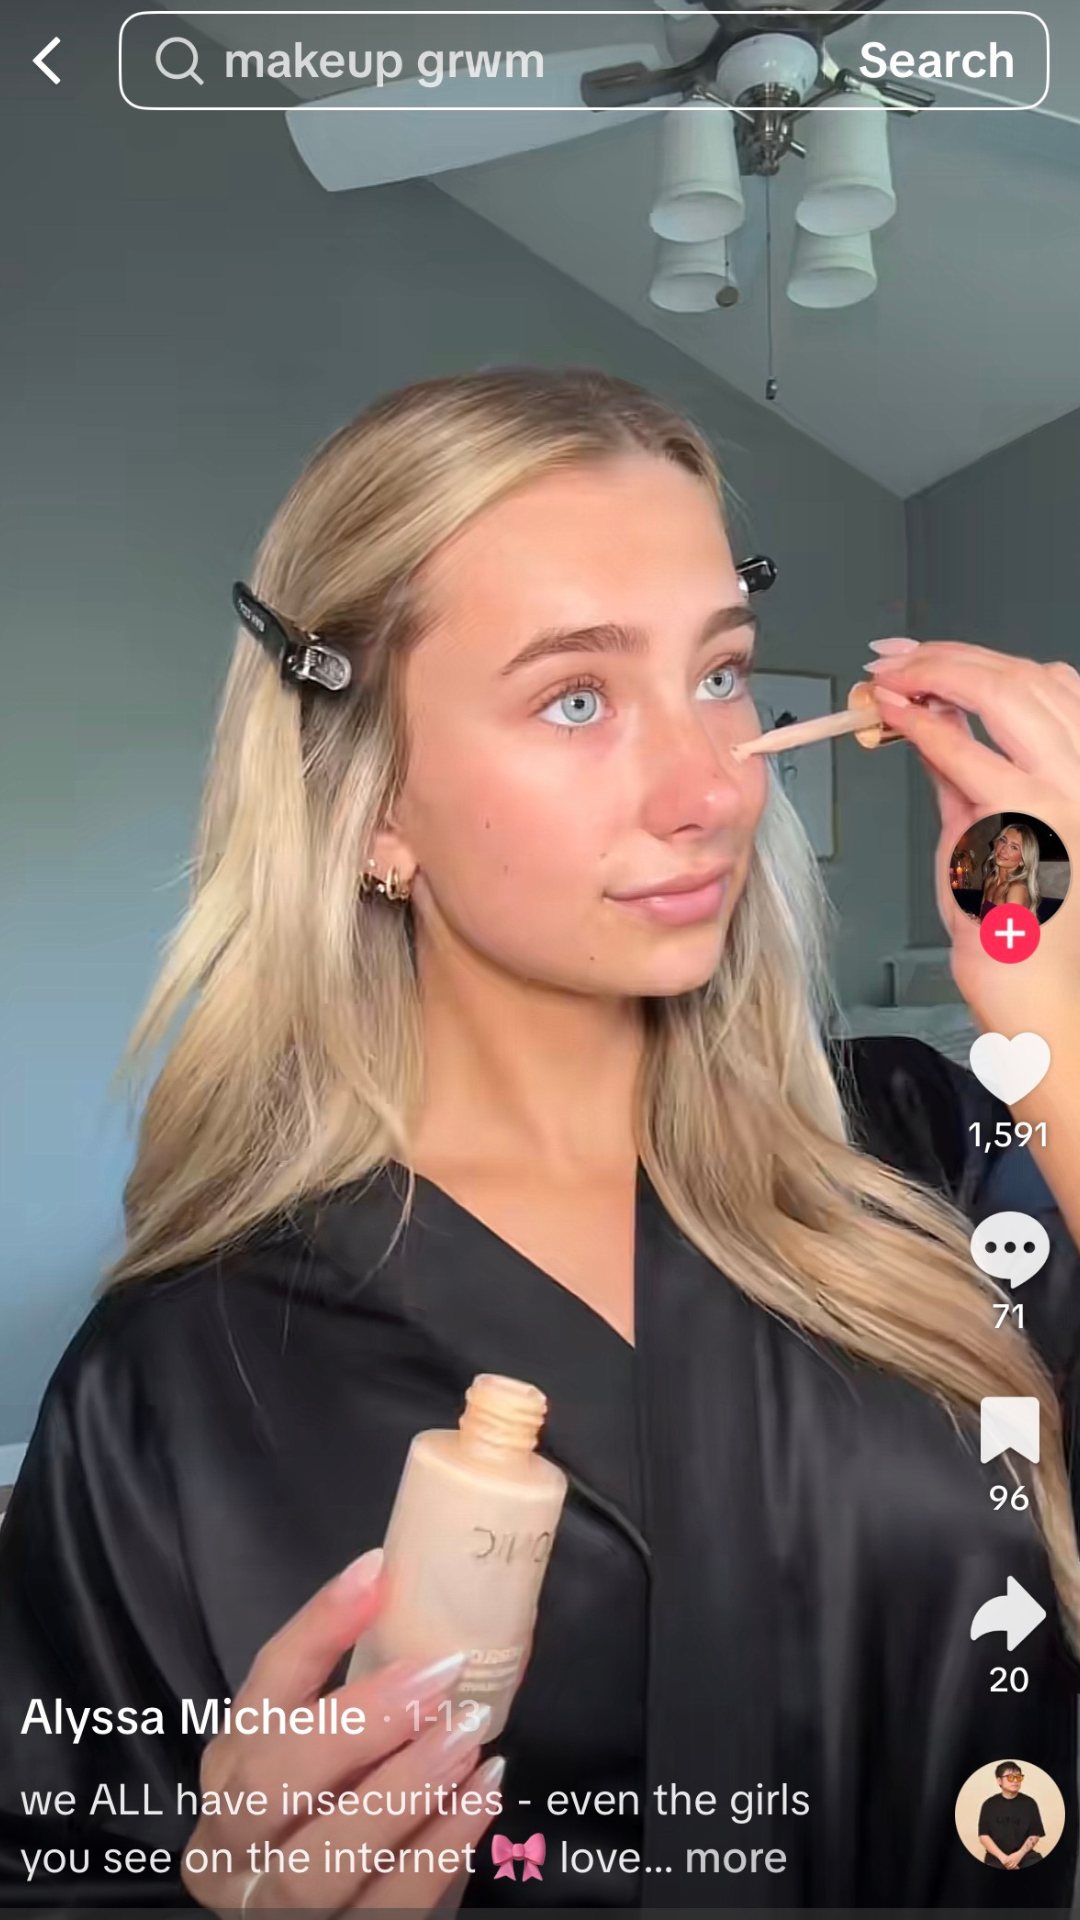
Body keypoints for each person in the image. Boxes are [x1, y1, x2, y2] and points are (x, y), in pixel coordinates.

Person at [2, 366, 1080, 1912]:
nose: (710, 785)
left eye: (723, 675)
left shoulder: (926, 1146)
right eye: (577, 698)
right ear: (374, 805)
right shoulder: (178, 1383)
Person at [977, 1762, 1046, 1868]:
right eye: (1010, 1777)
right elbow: (983, 1836)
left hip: (1025, 1855)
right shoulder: (989, 1804)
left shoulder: (1029, 1803)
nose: (1015, 1780)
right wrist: (1005, 1860)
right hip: (997, 1857)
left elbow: (1035, 1834)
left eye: (1018, 1777)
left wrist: (1019, 1855)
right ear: (999, 1780)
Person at [978, 819, 1042, 920]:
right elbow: (982, 918)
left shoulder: (1017, 889)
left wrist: (980, 924)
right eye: (1003, 841)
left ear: (1023, 860)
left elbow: (1009, 932)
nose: (1003, 849)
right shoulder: (989, 881)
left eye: (1013, 847)